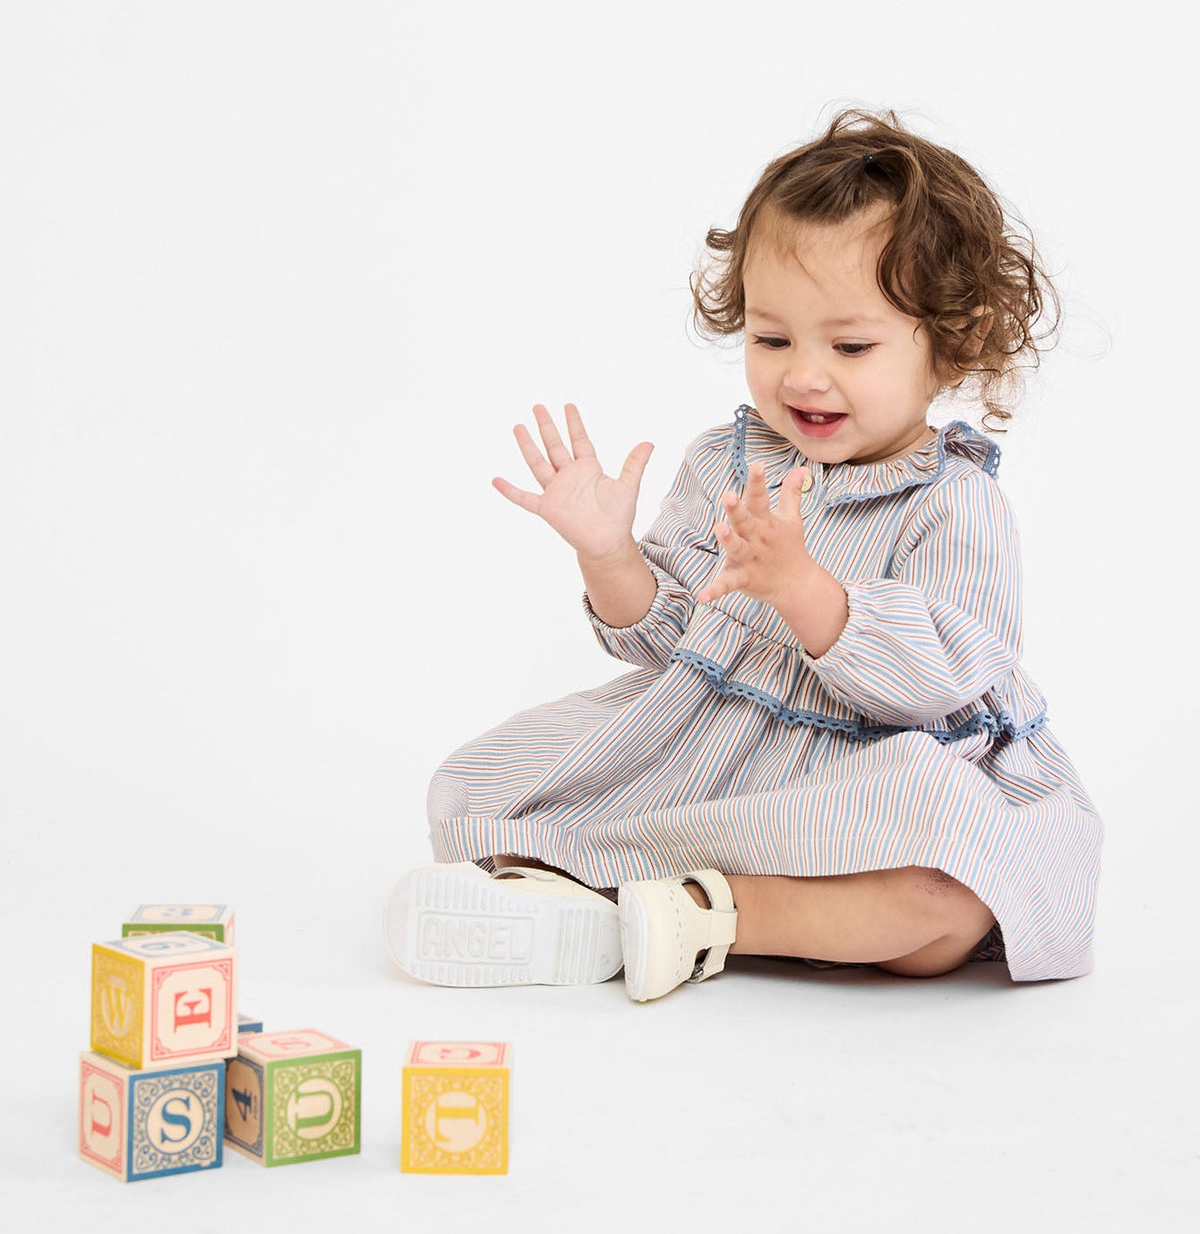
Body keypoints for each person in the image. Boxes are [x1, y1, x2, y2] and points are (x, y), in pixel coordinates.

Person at [384, 106, 1103, 1002]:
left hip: (876, 773)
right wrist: (609, 557)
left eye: (850, 345)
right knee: (479, 792)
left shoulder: (954, 501)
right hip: (713, 758)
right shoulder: (728, 463)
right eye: (772, 339)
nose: (803, 374)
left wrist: (804, 588)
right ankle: (594, 893)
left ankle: (695, 918)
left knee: (943, 907)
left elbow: (942, 679)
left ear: (952, 344)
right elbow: (662, 638)